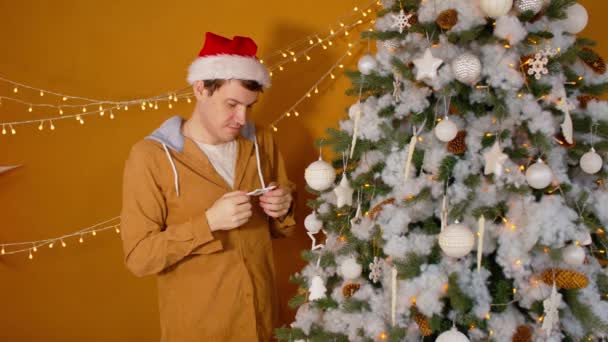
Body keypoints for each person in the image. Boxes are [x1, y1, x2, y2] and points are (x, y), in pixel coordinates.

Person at [120, 32, 296, 341]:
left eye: (249, 106)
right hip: (200, 331)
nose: (241, 118)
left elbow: (283, 228)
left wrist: (283, 208)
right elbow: (139, 256)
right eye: (232, 104)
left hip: (264, 326)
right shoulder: (149, 157)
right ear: (200, 89)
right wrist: (209, 223)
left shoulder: (262, 141)